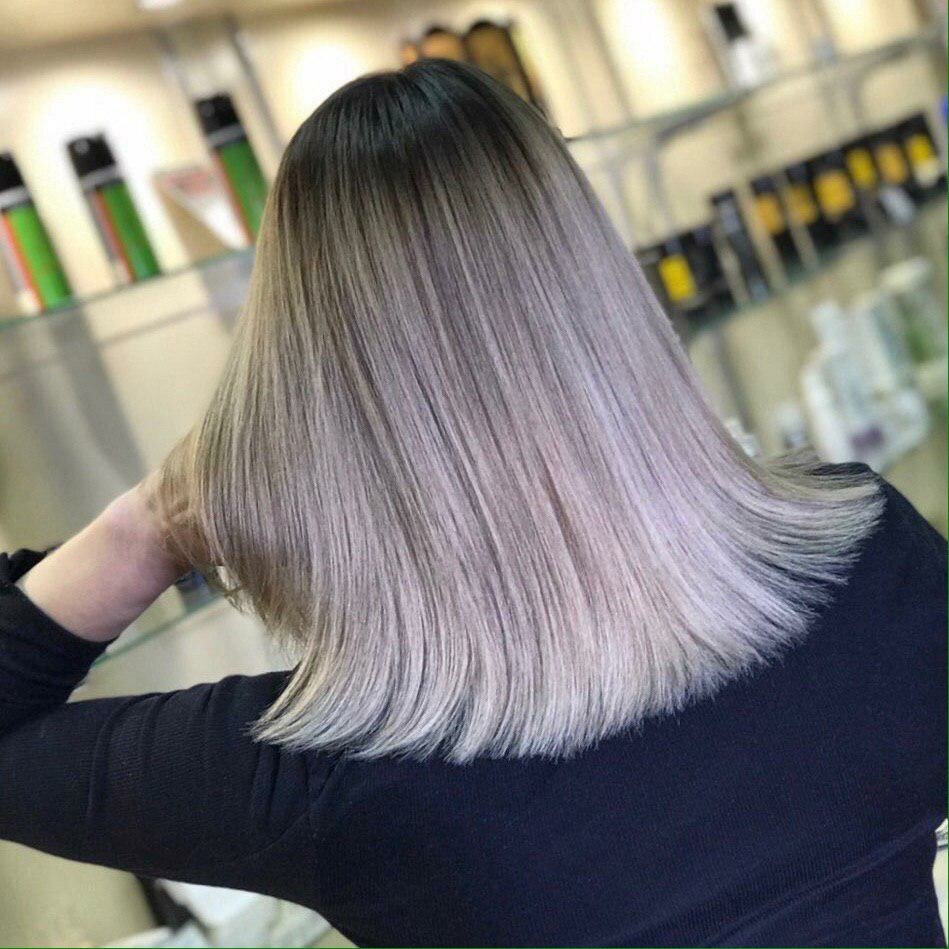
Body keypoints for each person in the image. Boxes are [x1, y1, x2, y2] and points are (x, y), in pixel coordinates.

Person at [1, 60, 945, 947]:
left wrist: (156, 520)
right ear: (606, 298)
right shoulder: (872, 559)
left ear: (312, 394)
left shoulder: (336, 777)